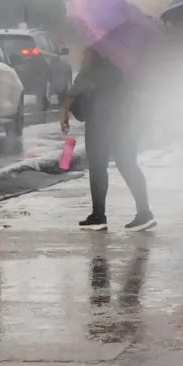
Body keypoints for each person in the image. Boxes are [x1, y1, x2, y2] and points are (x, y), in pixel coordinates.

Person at [62, 44, 155, 232]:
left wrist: (66, 105)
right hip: (126, 114)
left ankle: (98, 215)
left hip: (101, 114)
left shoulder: (97, 46)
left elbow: (82, 80)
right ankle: (144, 212)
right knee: (127, 162)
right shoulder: (127, 52)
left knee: (97, 164)